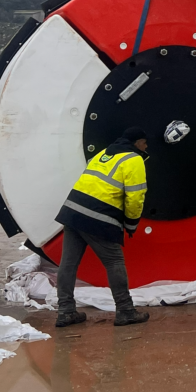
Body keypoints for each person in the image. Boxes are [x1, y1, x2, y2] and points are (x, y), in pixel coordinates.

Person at [53, 126, 151, 328]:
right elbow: (135, 197)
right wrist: (131, 224)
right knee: (114, 261)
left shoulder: (105, 153)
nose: (147, 146)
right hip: (98, 215)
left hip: (73, 210)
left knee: (68, 263)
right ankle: (125, 310)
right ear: (137, 143)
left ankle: (65, 312)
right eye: (145, 142)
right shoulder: (134, 159)